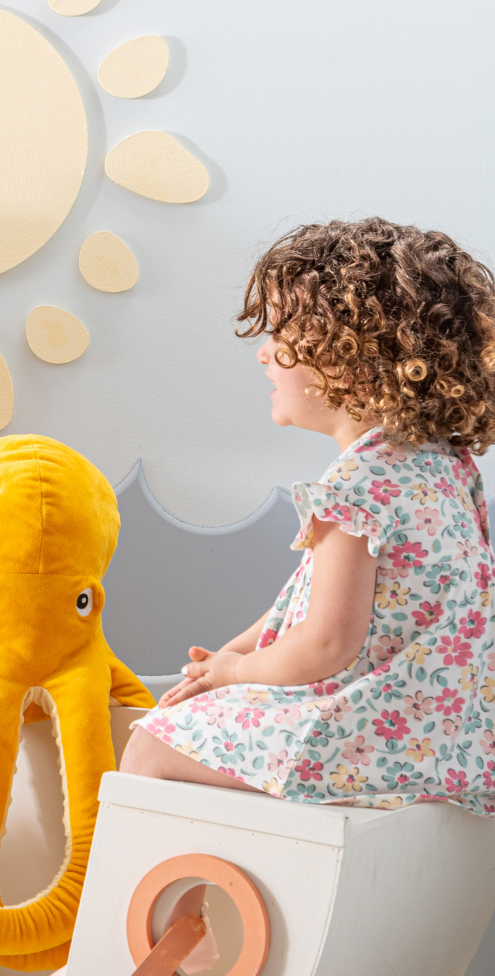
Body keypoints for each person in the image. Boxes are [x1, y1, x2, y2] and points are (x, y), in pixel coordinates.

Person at [123, 218, 495, 814]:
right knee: (201, 708)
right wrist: (228, 657)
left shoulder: (356, 487)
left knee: (152, 744)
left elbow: (325, 642)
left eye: (282, 336)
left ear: (350, 361)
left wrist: (234, 675)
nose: (264, 353)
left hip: (368, 738)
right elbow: (309, 603)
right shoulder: (444, 469)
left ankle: (161, 886)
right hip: (454, 742)